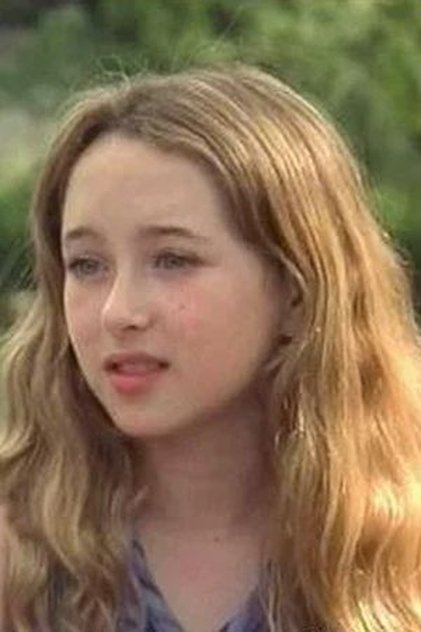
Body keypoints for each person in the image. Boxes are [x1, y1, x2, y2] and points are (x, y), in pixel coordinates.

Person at [0, 64, 420, 632]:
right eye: (87, 265)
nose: (118, 312)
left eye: (173, 260)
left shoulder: (400, 548)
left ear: (297, 294)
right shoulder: (21, 551)